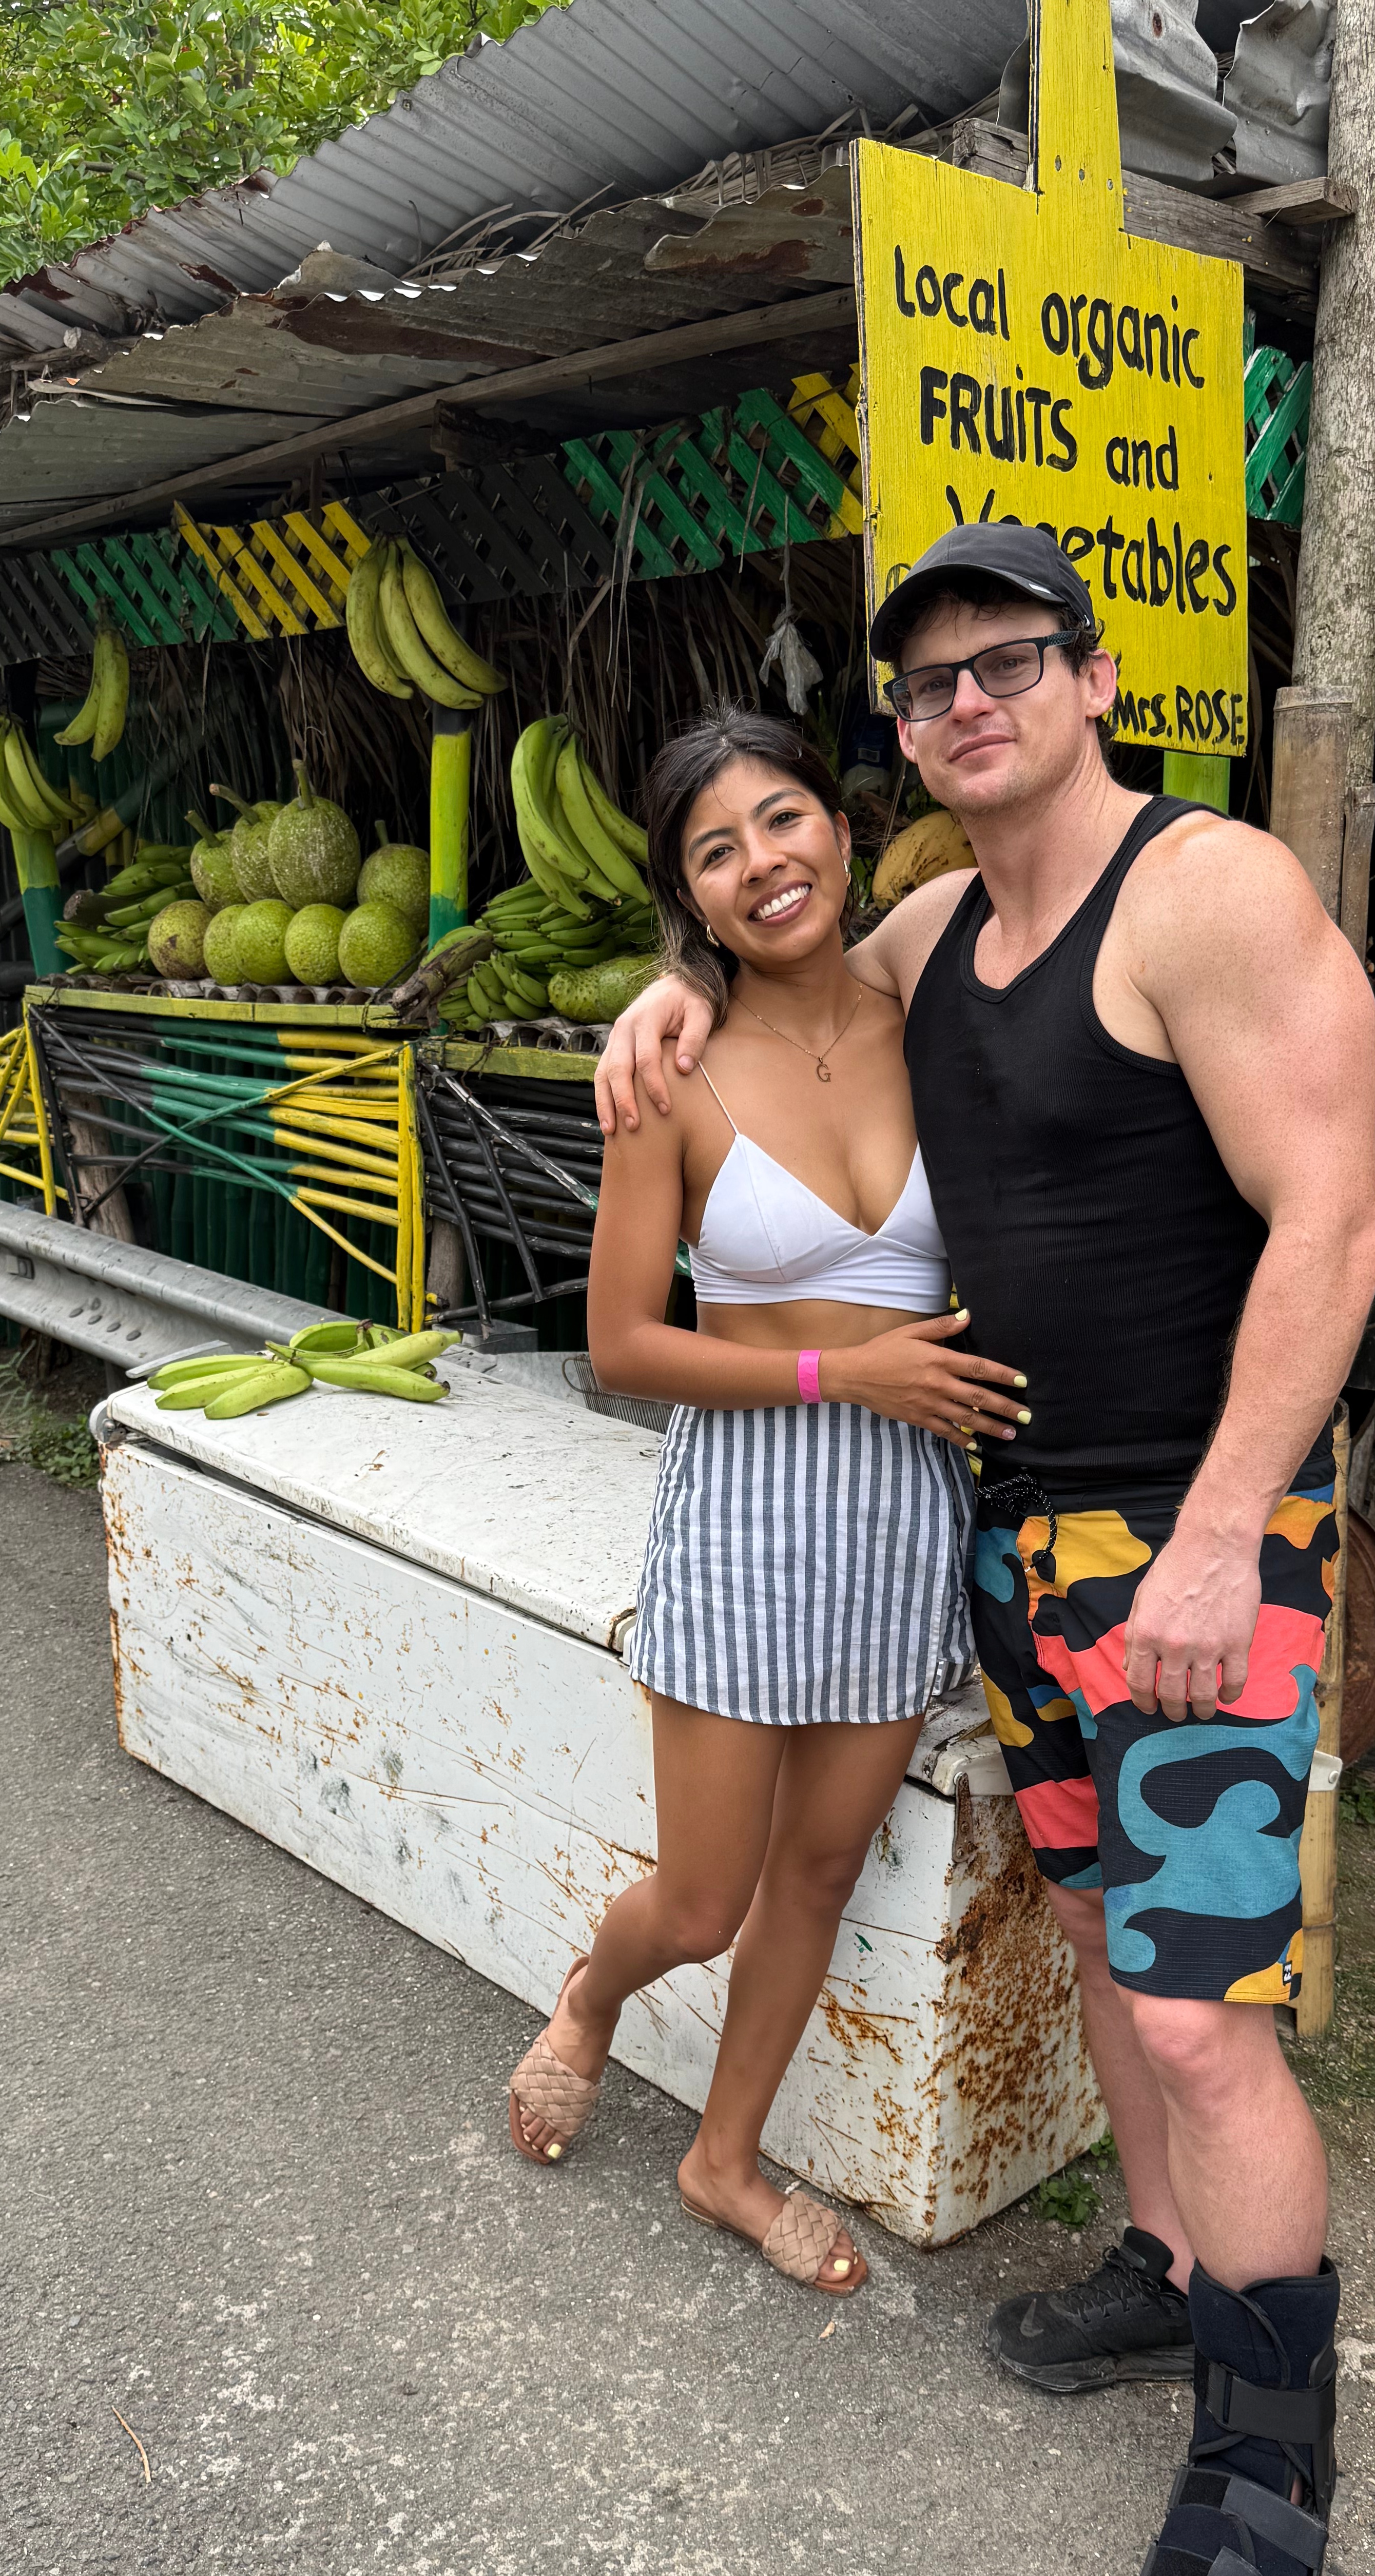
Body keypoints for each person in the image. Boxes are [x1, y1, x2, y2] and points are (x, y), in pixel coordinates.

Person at [594, 525, 1375, 2576]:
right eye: (929, 687)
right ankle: (1165, 2269)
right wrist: (650, 1004)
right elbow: (762, 981)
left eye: (1007, 663)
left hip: (1193, 1547)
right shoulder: (941, 922)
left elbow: (1336, 1215)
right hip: (1013, 1540)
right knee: (1115, 1939)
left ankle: (1260, 2485)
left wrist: (1230, 1532)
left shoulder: (1208, 894)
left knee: (1210, 2016)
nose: (967, 706)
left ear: (1096, 674)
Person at [507, 706, 1025, 2297]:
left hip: (900, 1520)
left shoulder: (940, 1000)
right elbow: (615, 1347)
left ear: (843, 826)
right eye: (715, 851)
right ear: (690, 895)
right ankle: (592, 1999)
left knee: (817, 1875)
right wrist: (836, 1374)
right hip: (744, 1506)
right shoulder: (671, 1067)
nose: (762, 865)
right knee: (711, 1897)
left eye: (781, 820)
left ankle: (721, 2160)